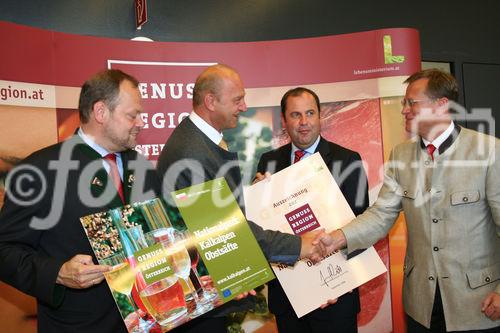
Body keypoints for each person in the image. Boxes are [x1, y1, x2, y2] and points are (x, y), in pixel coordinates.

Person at [321, 69, 500, 332]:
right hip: (421, 305)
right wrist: (336, 238)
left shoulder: (489, 151)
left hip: (478, 304)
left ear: (441, 105)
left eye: (411, 102)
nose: (404, 109)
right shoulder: (400, 155)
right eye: (404, 103)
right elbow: (380, 215)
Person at [156, 64, 329, 332]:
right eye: (237, 99)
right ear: (211, 101)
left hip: (216, 294)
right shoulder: (190, 151)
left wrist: (260, 197)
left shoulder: (203, 140)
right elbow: (225, 228)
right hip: (203, 308)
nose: (244, 106)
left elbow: (213, 216)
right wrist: (298, 246)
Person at [0, 69, 160, 332]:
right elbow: (4, 248)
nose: (142, 122)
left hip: (148, 321)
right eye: (133, 115)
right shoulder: (40, 170)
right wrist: (58, 272)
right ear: (100, 112)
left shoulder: (140, 166)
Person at [254, 87, 369, 332]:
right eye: (295, 115)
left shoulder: (347, 160)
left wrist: (340, 281)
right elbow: (261, 227)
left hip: (335, 296)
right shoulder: (269, 162)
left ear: (320, 116)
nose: (304, 122)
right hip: (288, 297)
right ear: (284, 121)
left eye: (310, 113)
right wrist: (256, 195)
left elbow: (362, 224)